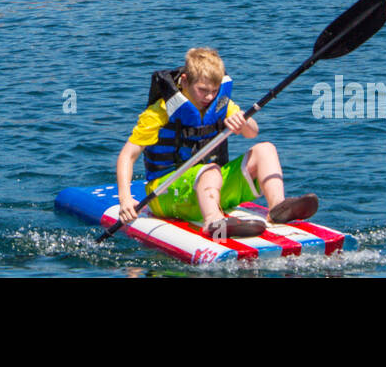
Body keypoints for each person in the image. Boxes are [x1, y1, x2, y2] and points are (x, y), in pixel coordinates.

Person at [114, 47, 318, 239]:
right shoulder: (160, 112)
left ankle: (277, 209)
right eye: (203, 90)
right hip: (166, 194)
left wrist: (243, 123)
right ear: (184, 81)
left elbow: (253, 133)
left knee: (266, 149)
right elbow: (127, 156)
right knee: (210, 170)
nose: (209, 97)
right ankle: (213, 221)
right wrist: (125, 199)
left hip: (210, 189)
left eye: (214, 90)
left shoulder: (220, 104)